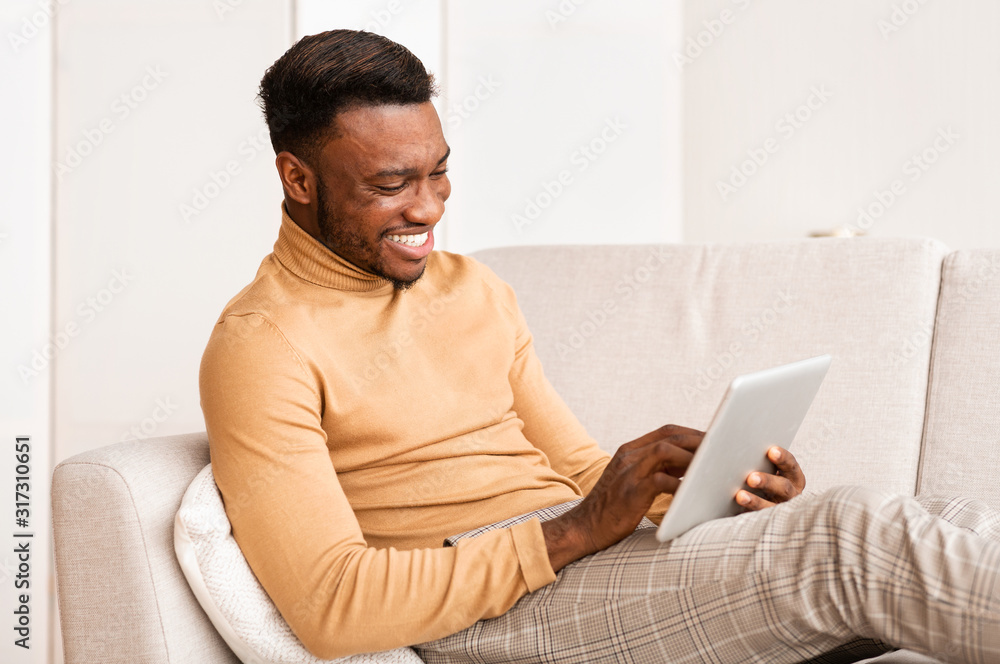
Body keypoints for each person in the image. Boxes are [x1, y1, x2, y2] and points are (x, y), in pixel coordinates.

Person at [199, 29, 1000, 664]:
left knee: (944, 517)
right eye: (390, 184)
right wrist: (577, 530)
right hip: (486, 614)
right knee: (848, 539)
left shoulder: (471, 289)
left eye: (439, 173)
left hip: (580, 558)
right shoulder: (261, 346)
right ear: (298, 180)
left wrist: (718, 496)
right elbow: (331, 605)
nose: (429, 206)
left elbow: (580, 475)